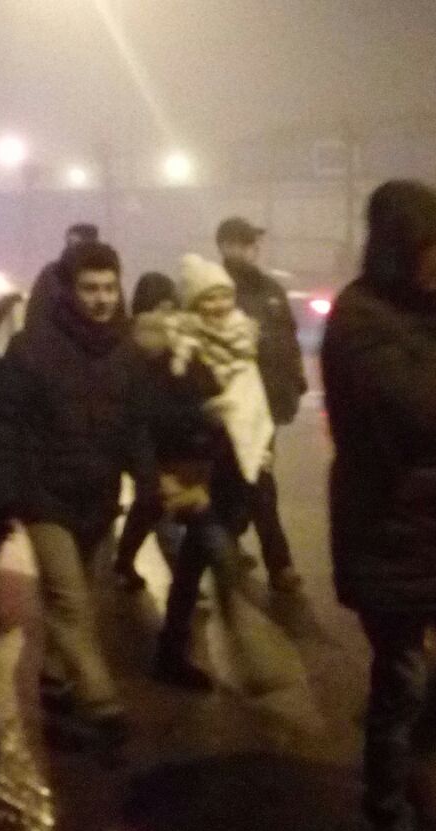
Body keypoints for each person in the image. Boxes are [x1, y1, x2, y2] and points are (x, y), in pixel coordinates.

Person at [323, 180, 436, 831]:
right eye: (434, 247)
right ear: (399, 248)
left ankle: (406, 776)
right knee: (400, 681)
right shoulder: (359, 319)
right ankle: (388, 825)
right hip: (385, 529)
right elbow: (423, 409)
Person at [0, 240, 154, 750]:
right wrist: (5, 493)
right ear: (69, 291)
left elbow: (136, 425)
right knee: (69, 599)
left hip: (97, 495)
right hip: (45, 495)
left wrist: (147, 479)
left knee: (85, 596)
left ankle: (55, 676)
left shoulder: (126, 350)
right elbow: (5, 424)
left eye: (110, 287)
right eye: (90, 288)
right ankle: (102, 701)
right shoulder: (33, 348)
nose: (102, 299)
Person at [154, 255, 277, 689]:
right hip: (196, 476)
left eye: (224, 295)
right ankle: (254, 658)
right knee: (224, 561)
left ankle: (170, 651)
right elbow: (163, 413)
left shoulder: (243, 341)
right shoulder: (180, 349)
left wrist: (260, 444)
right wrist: (203, 414)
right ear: (192, 303)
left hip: (234, 475)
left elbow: (256, 403)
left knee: (191, 566)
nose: (219, 304)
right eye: (208, 297)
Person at [216, 217, 307, 595]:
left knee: (252, 479)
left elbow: (288, 338)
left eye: (253, 243)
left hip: (266, 404)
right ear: (225, 246)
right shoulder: (216, 289)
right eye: (243, 242)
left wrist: (295, 383)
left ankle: (233, 542)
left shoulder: (271, 290)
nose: (252, 250)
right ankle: (277, 562)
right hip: (231, 402)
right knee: (253, 481)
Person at [114, 271, 183, 591]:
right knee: (156, 502)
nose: (166, 316)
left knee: (149, 505)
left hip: (158, 437)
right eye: (162, 307)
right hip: (138, 436)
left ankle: (123, 562)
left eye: (171, 308)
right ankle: (184, 582)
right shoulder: (133, 344)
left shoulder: (176, 342)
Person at [25, 224, 100, 340]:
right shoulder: (51, 275)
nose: (73, 249)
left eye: (78, 245)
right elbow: (35, 315)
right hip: (55, 343)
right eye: (70, 244)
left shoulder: (104, 275)